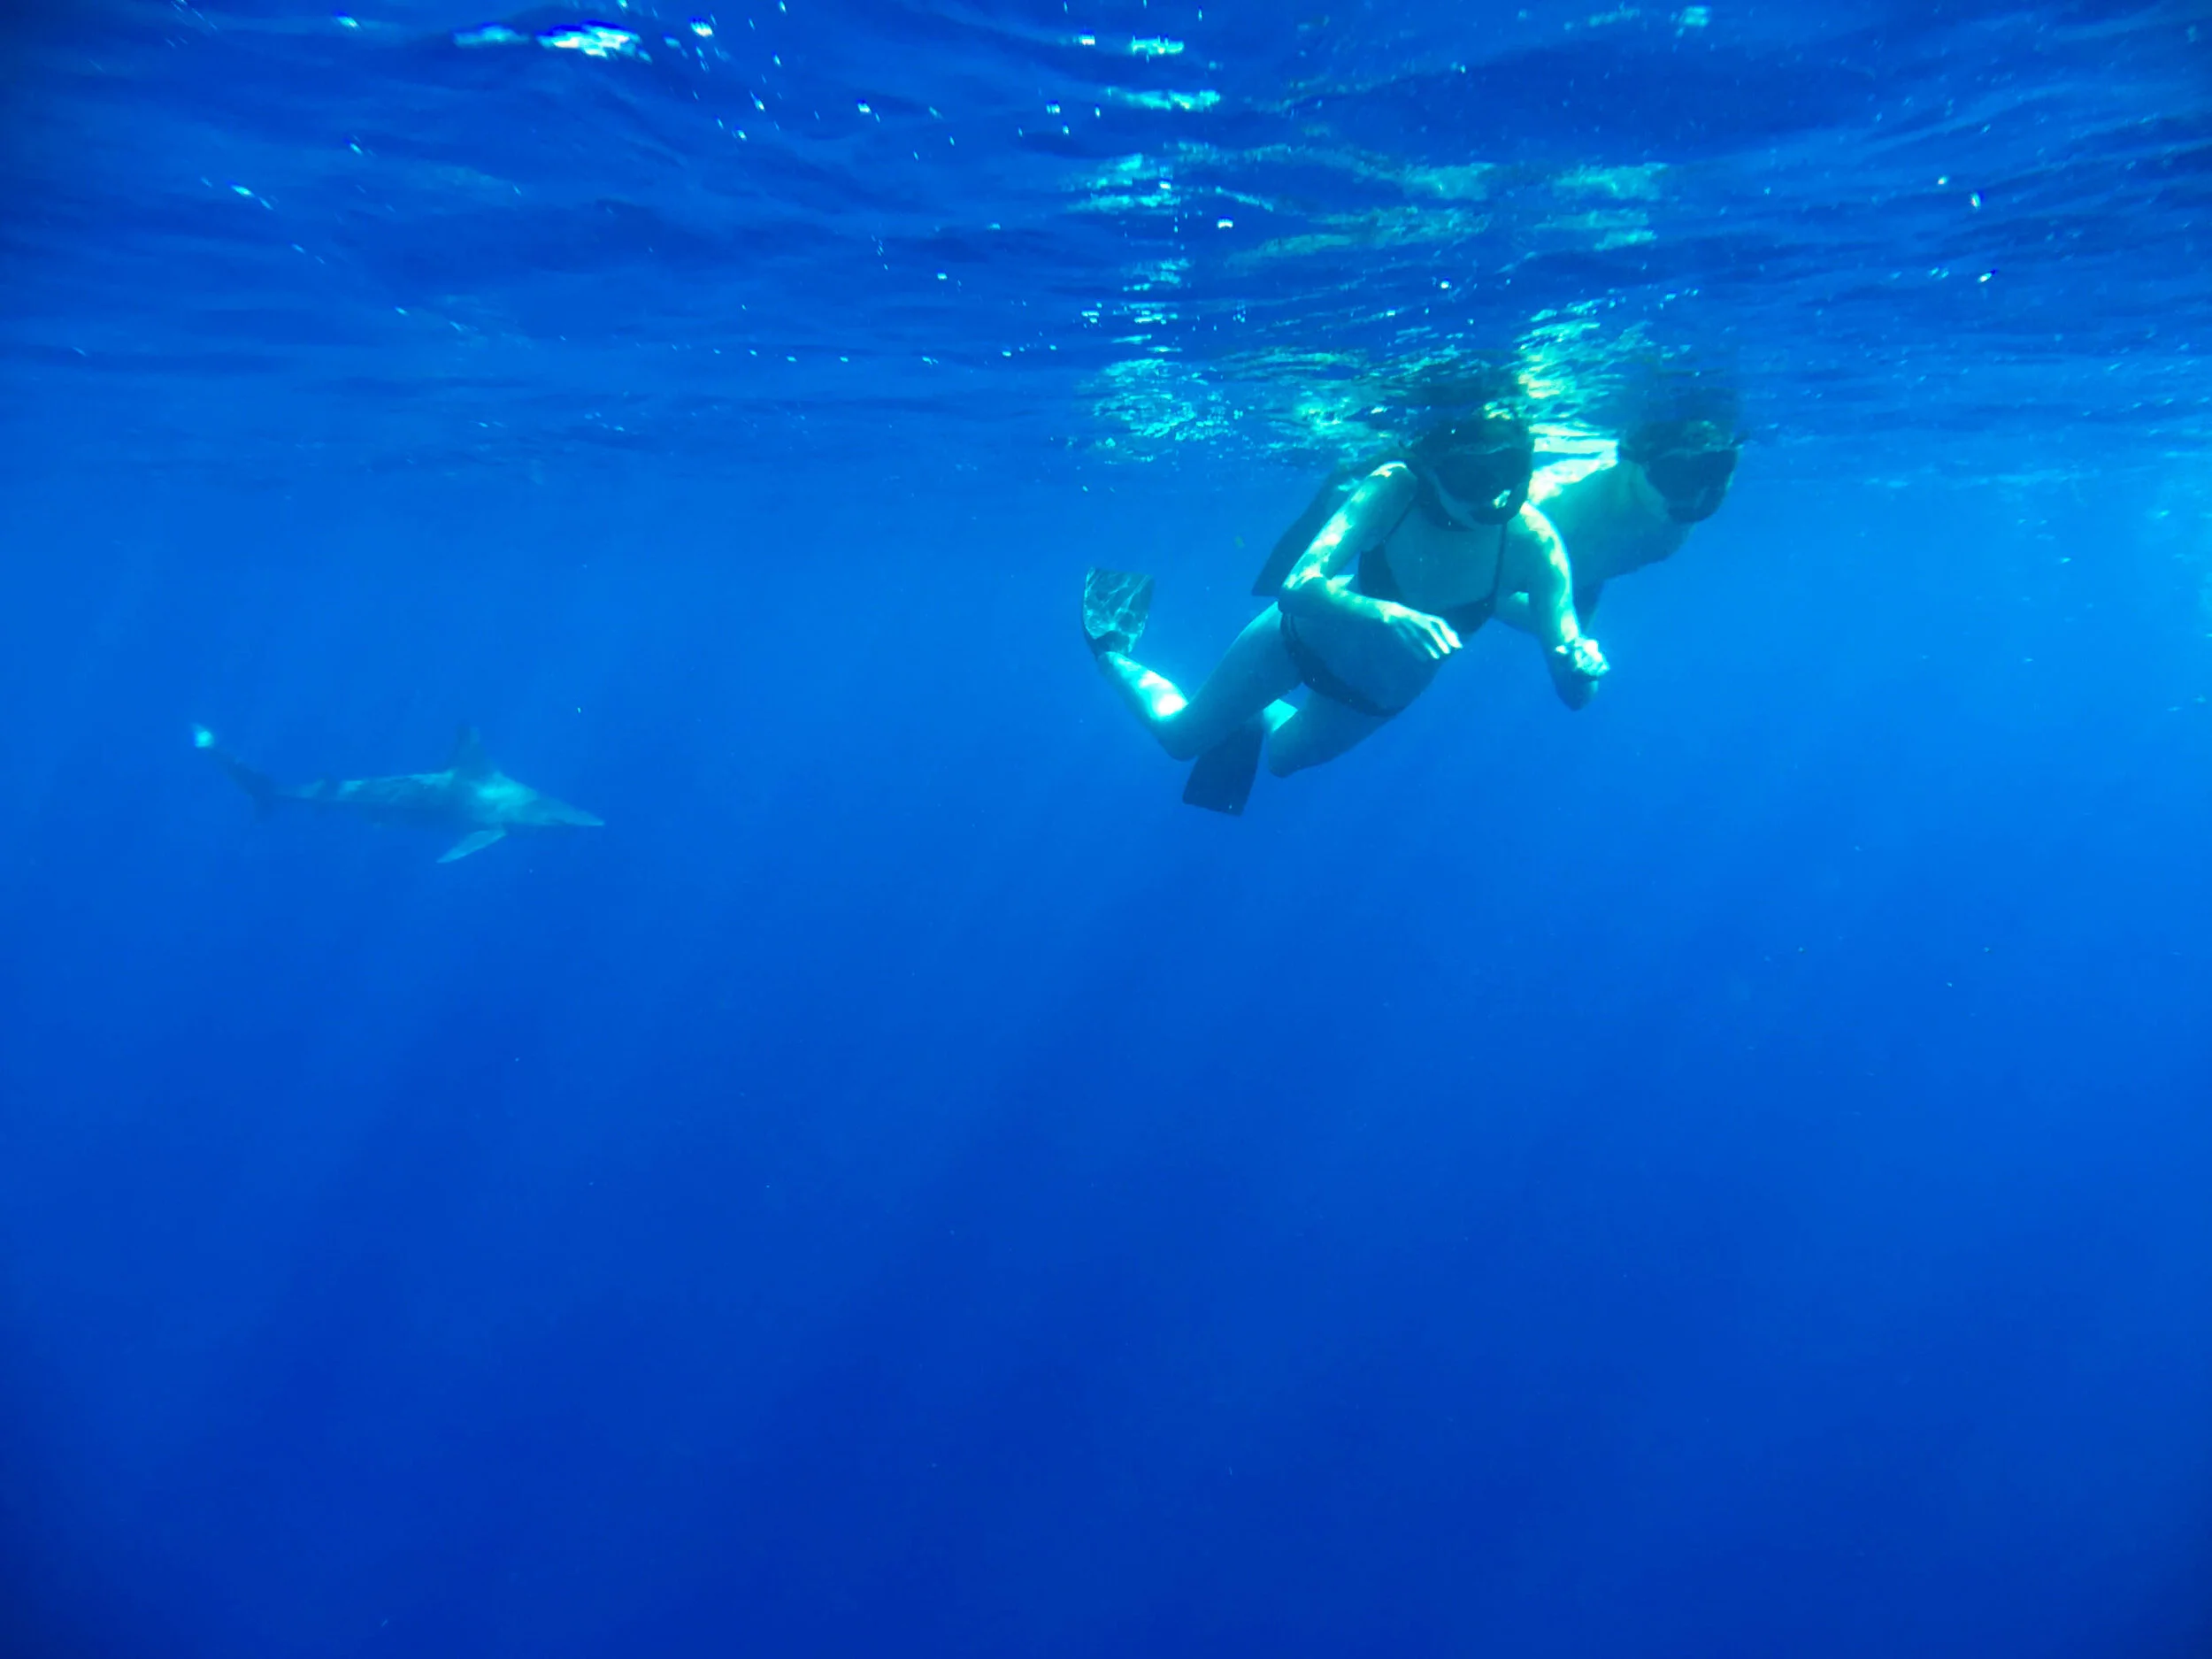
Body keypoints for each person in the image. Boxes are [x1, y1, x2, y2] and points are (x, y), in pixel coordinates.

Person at [1082, 411, 1609, 815]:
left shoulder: (1536, 543)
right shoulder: (1395, 489)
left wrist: (1579, 668)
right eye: (1473, 476)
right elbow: (1296, 587)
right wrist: (1385, 614)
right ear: (1432, 468)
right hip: (1296, 640)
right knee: (1180, 739)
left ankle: (1254, 709)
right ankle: (1110, 650)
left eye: (1511, 470)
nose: (1495, 493)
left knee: (1282, 762)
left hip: (1369, 699)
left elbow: (1573, 694)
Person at [1494, 418, 1740, 670]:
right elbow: (1482, 586)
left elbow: (1592, 570)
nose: (1697, 498)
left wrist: (1574, 641)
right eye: (1675, 476)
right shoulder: (1556, 508)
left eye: (1716, 469)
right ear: (1632, 463)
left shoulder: (1669, 529)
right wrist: (1566, 635)